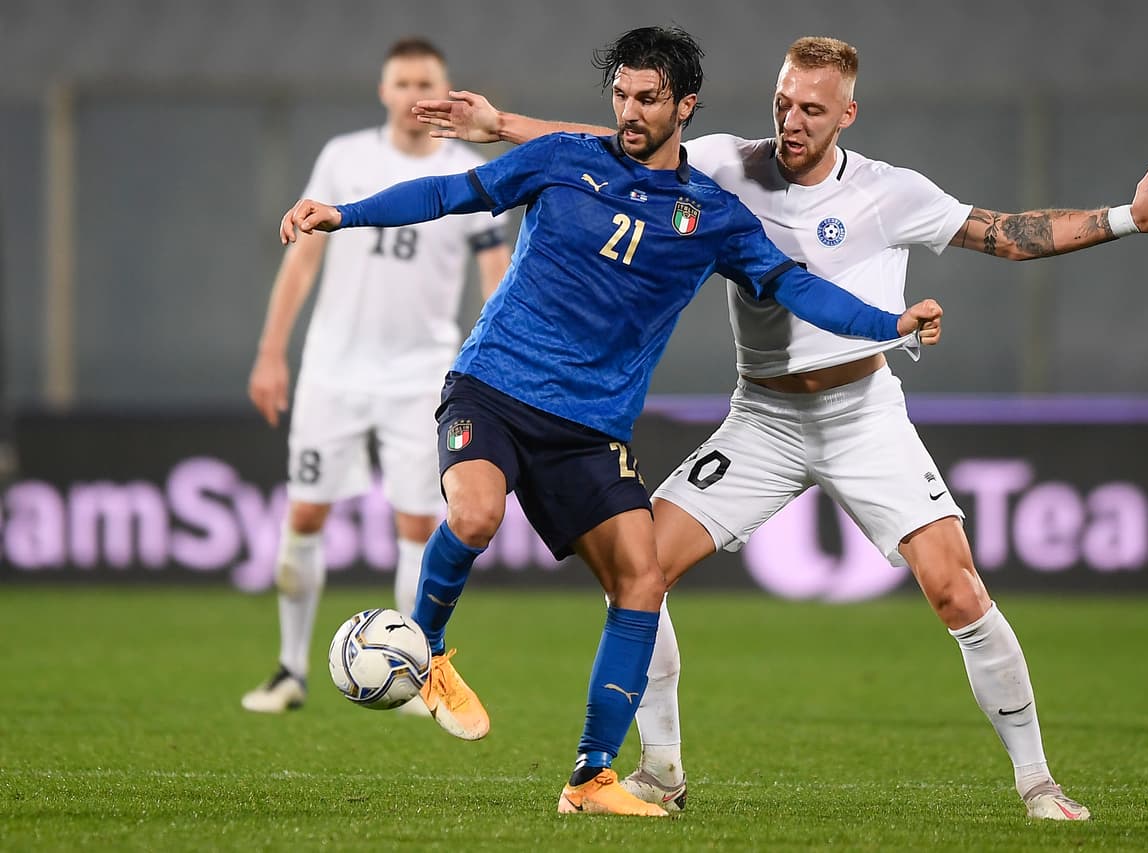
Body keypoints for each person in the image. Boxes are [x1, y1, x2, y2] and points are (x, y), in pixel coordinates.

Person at [414, 35, 1148, 820]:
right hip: (762, 415)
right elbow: (621, 142)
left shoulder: (890, 192)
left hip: (862, 413)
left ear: (847, 114)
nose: (791, 122)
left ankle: (1038, 781)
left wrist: (1126, 219)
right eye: (782, 103)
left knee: (956, 588)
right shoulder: (729, 164)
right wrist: (504, 124)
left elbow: (1003, 234)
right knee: (642, 572)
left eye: (811, 109)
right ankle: (659, 771)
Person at [278, 26, 943, 816]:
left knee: (642, 580)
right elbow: (448, 194)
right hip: (493, 388)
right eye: (621, 95)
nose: (630, 112)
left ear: (685, 106)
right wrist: (341, 213)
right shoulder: (563, 159)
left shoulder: (712, 214)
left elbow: (797, 290)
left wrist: (888, 323)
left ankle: (592, 777)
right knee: (476, 511)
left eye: (648, 98)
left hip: (589, 431)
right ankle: (426, 653)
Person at [240, 37, 512, 717]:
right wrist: (272, 350)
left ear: (447, 95)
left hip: (424, 373)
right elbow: (301, 260)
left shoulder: (469, 171)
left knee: (419, 523)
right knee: (305, 512)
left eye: (427, 82)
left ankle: (411, 675)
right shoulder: (344, 157)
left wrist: (499, 360)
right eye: (401, 81)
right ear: (384, 91)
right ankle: (288, 669)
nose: (413, 93)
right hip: (333, 367)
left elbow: (494, 277)